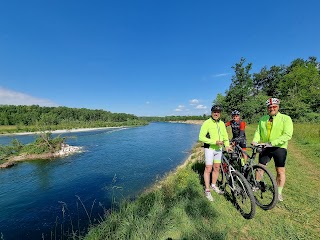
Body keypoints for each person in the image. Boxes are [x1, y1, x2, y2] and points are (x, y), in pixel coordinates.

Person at [252, 98, 293, 202]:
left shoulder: (286, 118)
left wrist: (271, 143)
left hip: (279, 147)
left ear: (278, 107)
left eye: (274, 106)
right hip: (265, 146)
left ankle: (278, 192)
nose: (272, 108)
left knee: (280, 171)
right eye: (270, 107)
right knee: (260, 167)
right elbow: (258, 131)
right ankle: (256, 185)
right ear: (267, 108)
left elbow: (287, 135)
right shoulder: (263, 119)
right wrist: (255, 140)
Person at [199, 105, 231, 201]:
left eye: (218, 112)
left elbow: (225, 136)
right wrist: (214, 142)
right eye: (214, 112)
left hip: (219, 149)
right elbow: (201, 137)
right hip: (209, 148)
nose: (216, 113)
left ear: (220, 113)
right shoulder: (207, 123)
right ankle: (207, 190)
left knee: (217, 167)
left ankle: (213, 185)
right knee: (208, 168)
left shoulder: (221, 123)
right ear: (211, 112)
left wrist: (227, 145)